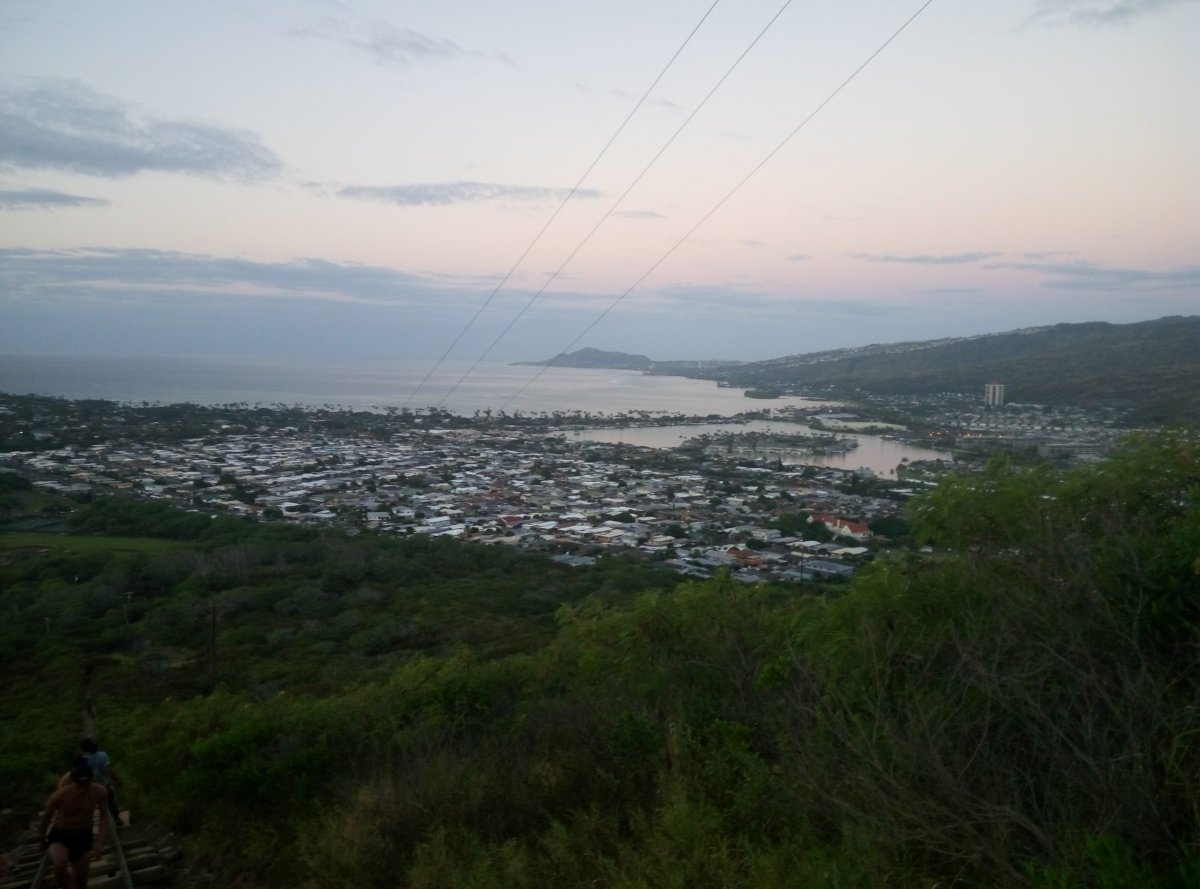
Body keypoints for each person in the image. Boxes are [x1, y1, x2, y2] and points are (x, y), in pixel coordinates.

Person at [38, 762, 110, 889]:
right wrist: (41, 838)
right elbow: (46, 817)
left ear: (91, 780)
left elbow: (104, 815)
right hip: (61, 834)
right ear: (72, 782)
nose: (82, 790)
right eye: (79, 786)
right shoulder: (59, 796)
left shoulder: (100, 792)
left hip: (83, 834)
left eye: (86, 785)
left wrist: (100, 841)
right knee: (59, 864)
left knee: (80, 879)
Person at [79, 739, 121, 825]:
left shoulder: (83, 759)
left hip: (92, 786)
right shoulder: (103, 755)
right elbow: (108, 770)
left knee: (93, 805)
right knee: (111, 801)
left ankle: (90, 823)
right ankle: (116, 818)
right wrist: (115, 780)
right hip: (105, 784)